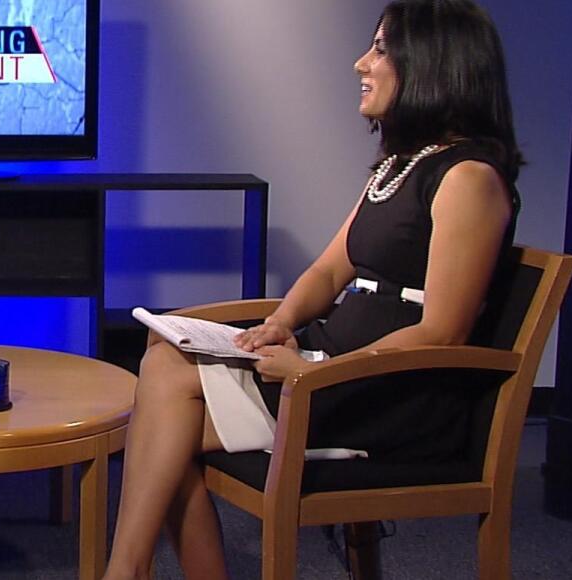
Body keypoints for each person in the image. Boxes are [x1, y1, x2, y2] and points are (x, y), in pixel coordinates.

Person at [104, 1, 523, 578]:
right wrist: (281, 323)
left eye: (380, 50)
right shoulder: (399, 168)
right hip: (330, 369)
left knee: (164, 428)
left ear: (430, 64)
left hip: (388, 395)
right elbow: (328, 273)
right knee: (163, 373)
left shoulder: (468, 178)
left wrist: (312, 372)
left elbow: (443, 332)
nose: (361, 63)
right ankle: (124, 572)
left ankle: (122, 572)